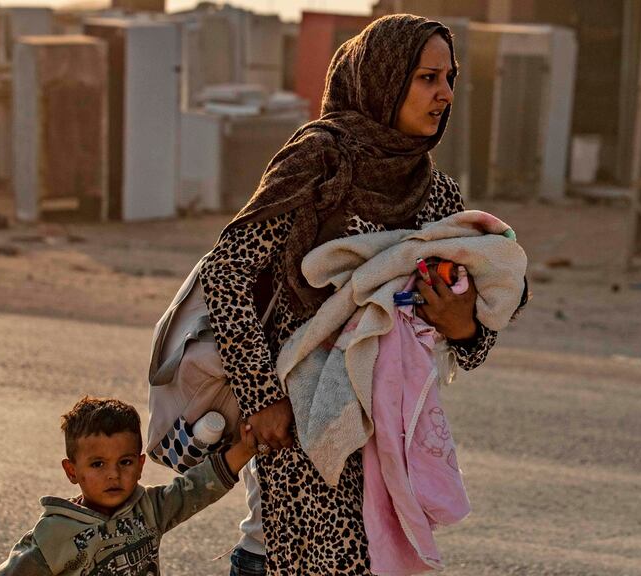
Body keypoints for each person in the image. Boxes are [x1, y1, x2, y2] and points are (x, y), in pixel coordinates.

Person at [200, 14, 498, 574]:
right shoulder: (318, 162)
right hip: (302, 420)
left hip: (391, 432)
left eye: (450, 78)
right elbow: (226, 274)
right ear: (384, 80)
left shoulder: (435, 193)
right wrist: (261, 396)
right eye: (428, 78)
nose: (445, 94)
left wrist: (465, 326)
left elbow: (471, 333)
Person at [0, 396, 257, 576]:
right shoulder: (54, 534)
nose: (114, 475)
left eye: (125, 462)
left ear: (140, 466)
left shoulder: (149, 508)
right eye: (98, 464)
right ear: (72, 471)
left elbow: (195, 488)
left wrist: (245, 450)